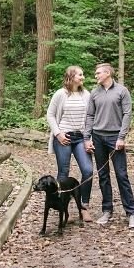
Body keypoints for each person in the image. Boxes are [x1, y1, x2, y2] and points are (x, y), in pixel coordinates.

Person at [84, 63, 134, 228]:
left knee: (121, 175)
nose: (96, 76)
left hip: (115, 138)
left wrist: (121, 137)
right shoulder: (94, 93)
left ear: (108, 73)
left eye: (98, 73)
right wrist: (87, 137)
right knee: (103, 176)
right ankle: (107, 210)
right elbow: (89, 115)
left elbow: (127, 114)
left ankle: (131, 213)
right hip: (98, 138)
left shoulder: (122, 91)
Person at [46, 65, 94, 222]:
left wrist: (89, 138)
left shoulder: (86, 94)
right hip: (64, 138)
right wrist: (58, 133)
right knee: (63, 173)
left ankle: (84, 207)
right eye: (80, 74)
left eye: (83, 74)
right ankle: (64, 209)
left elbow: (91, 117)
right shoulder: (60, 94)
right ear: (71, 76)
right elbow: (50, 115)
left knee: (87, 171)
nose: (83, 77)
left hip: (81, 137)